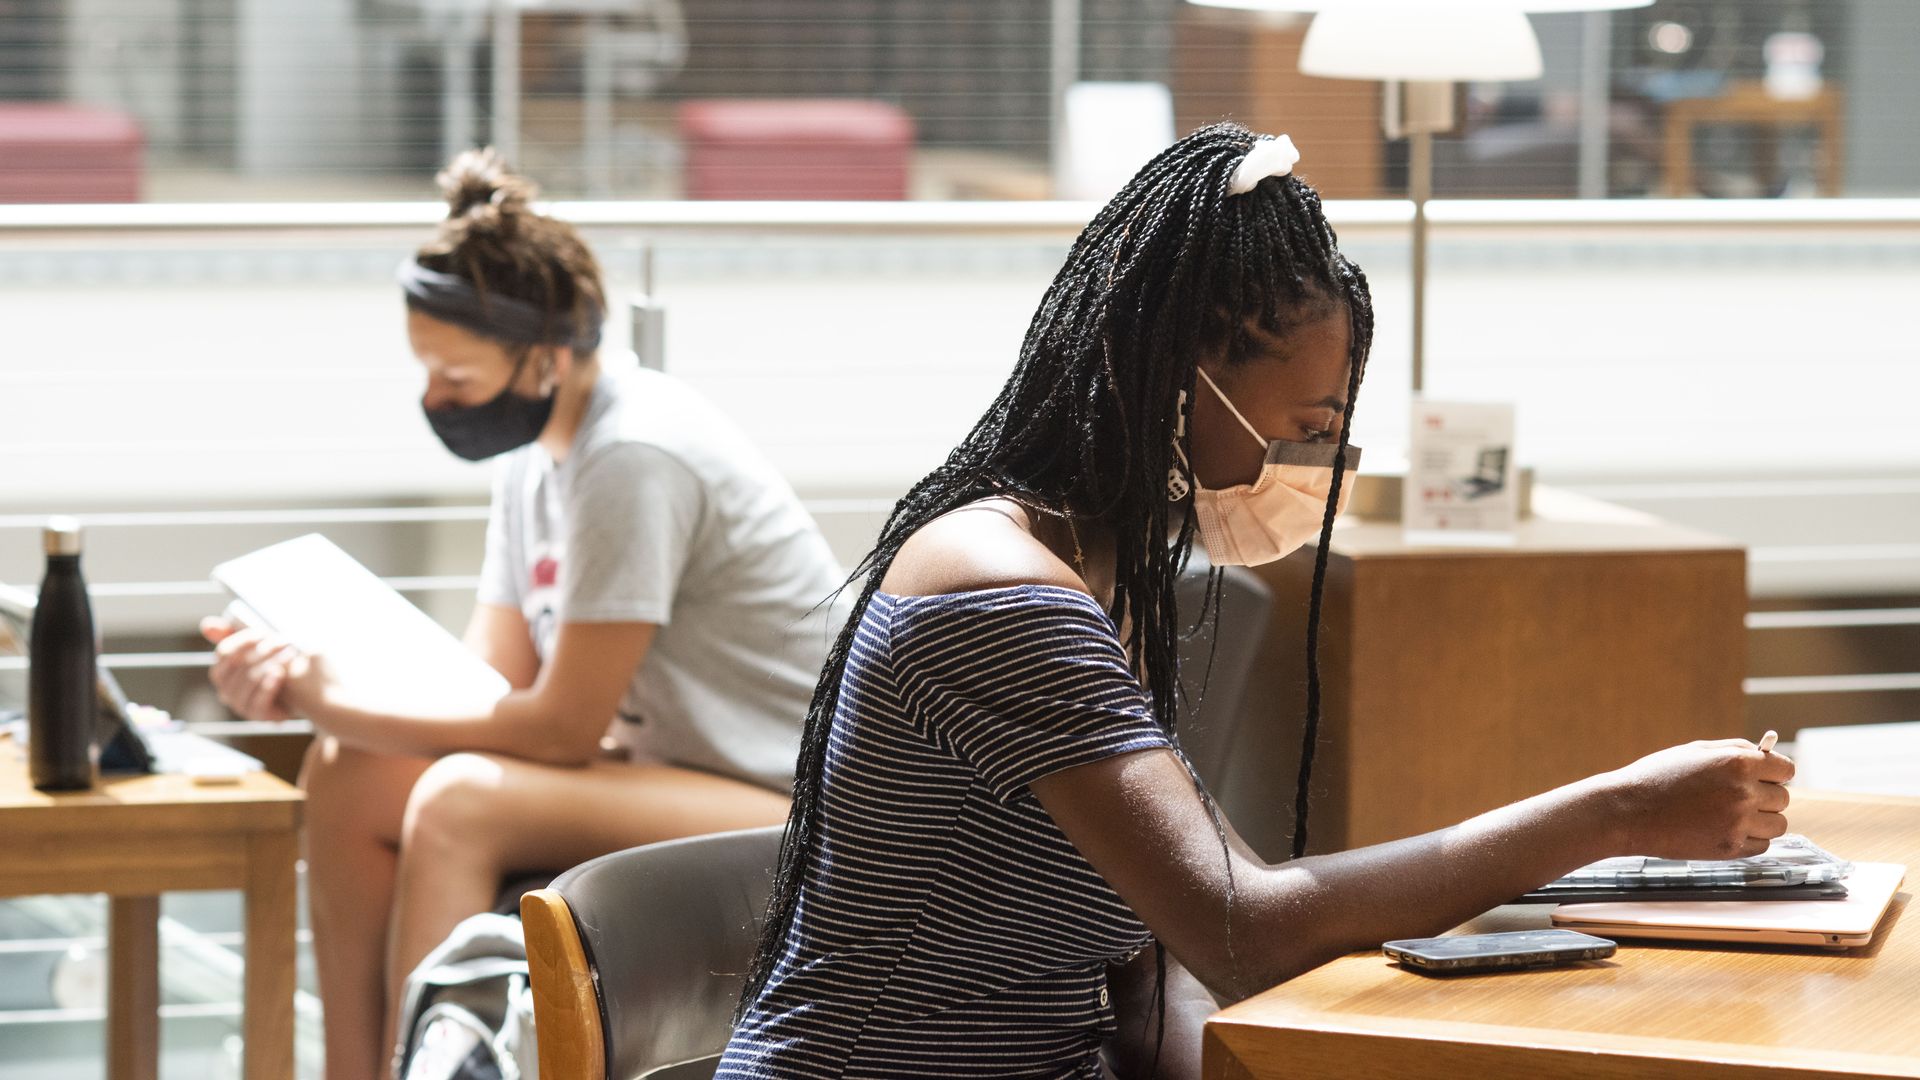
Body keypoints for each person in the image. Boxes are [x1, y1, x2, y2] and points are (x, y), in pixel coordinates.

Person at [717, 123, 1794, 1080]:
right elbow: (1240, 924)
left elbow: (1157, 972)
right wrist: (1616, 812)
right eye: (1315, 424)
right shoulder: (996, 595)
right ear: (1170, 376)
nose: (1322, 463)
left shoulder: (1106, 580)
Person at [202, 149, 843, 1080]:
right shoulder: (538, 456)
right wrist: (313, 689)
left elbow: (559, 727)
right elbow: (487, 681)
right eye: (426, 374)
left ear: (543, 357)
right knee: (351, 771)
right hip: (666, 767)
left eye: (455, 379)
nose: (435, 400)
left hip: (780, 798)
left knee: (459, 802)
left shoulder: (633, 456)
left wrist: (337, 697)